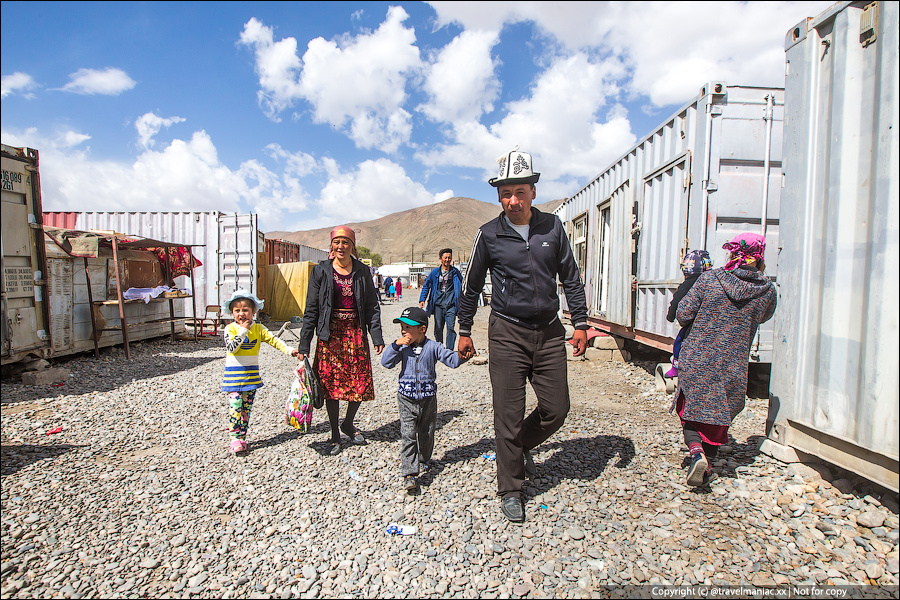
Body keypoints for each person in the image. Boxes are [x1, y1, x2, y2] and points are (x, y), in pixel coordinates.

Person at [457, 149, 589, 523]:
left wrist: (579, 322)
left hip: (549, 334)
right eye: (505, 194)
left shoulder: (552, 228)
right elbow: (471, 287)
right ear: (498, 196)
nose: (512, 201)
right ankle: (511, 488)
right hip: (507, 334)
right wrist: (464, 330)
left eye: (519, 192)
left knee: (556, 409)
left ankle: (520, 447)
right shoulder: (488, 235)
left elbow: (571, 279)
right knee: (508, 415)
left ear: (533, 190)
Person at [674, 232, 776, 486]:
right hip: (733, 365)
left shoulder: (709, 280)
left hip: (697, 359)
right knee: (717, 417)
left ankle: (696, 452)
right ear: (761, 258)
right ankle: (706, 463)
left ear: (733, 253)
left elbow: (683, 314)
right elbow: (764, 317)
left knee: (694, 415)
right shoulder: (767, 290)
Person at [298, 226, 385, 456]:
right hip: (330, 334)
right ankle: (335, 434)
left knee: (359, 383)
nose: (341, 247)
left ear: (352, 246)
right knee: (331, 386)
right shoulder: (321, 271)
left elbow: (372, 306)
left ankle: (348, 423)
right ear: (331, 245)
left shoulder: (362, 271)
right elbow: (311, 309)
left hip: (355, 333)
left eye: (345, 242)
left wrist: (376, 335)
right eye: (337, 242)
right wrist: (304, 344)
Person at [381, 306, 468, 491]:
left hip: (428, 399)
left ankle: (424, 458)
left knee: (427, 433)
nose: (404, 331)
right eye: (402, 327)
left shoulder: (433, 347)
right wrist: (396, 345)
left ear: (422, 329)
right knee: (408, 435)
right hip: (406, 399)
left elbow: (451, 360)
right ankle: (410, 474)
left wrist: (463, 356)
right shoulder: (402, 348)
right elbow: (386, 362)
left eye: (408, 327)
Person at [221, 289, 300, 454]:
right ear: (232, 312)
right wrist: (243, 330)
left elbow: (274, 340)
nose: (241, 314)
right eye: (237, 310)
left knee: (246, 409)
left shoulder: (258, 328)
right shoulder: (230, 329)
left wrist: (290, 350)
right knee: (235, 406)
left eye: (245, 310)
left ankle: (242, 437)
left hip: (251, 377)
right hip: (233, 378)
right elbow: (232, 348)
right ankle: (234, 438)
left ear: (253, 311)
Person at [665, 250, 713, 378]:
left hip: (692, 324)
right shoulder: (713, 283)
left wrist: (670, 316)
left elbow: (675, 302)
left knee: (679, 342)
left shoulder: (687, 285)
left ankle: (676, 366)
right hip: (711, 324)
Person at [419, 248, 463, 350]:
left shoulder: (455, 273)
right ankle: (439, 348)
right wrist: (422, 300)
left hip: (451, 305)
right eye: (445, 258)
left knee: (451, 328)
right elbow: (426, 286)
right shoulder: (434, 273)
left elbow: (463, 286)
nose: (447, 260)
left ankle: (449, 350)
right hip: (438, 305)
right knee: (438, 328)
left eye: (449, 258)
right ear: (440, 259)